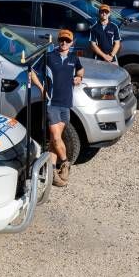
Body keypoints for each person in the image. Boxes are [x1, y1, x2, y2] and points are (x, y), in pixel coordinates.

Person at [28, 29, 83, 187]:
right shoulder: (49, 56)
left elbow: (80, 69)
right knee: (56, 136)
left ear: (71, 42)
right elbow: (31, 70)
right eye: (62, 40)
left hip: (66, 103)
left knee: (54, 140)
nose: (64, 43)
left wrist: (79, 77)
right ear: (58, 41)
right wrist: (41, 88)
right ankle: (65, 163)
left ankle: (52, 173)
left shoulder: (74, 57)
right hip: (52, 103)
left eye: (67, 40)